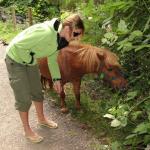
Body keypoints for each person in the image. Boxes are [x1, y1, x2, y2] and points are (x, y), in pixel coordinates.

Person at [5, 14, 84, 143]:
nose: (77, 38)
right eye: (76, 34)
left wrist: (56, 79)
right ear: (68, 28)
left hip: (28, 59)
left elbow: (52, 60)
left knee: (37, 91)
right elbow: (18, 46)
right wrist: (31, 60)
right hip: (15, 59)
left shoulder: (60, 40)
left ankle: (42, 119)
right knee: (23, 98)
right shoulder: (46, 33)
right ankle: (27, 130)